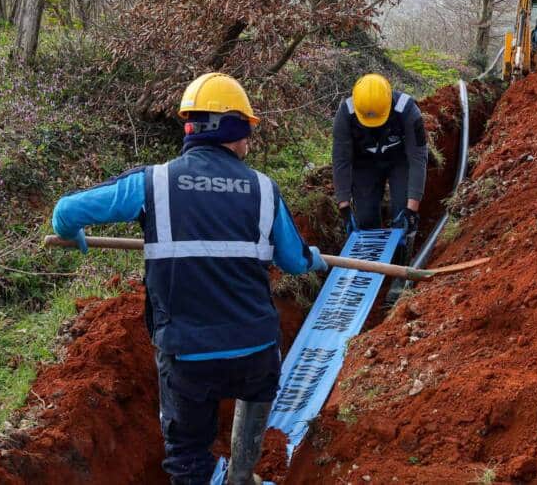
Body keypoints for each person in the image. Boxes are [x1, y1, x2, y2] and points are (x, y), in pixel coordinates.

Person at [51, 72, 328, 485]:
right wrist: (315, 260)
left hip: (188, 356)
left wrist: (73, 234)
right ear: (233, 130)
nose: (248, 143)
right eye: (248, 131)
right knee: (256, 396)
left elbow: (66, 212)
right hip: (255, 350)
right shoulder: (263, 190)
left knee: (187, 457)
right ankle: (240, 476)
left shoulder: (152, 184)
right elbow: (293, 260)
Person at [332, 73, 427, 247]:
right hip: (365, 164)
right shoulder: (345, 114)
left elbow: (417, 159)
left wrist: (411, 210)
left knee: (402, 215)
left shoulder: (407, 110)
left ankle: (401, 254)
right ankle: (371, 263)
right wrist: (345, 208)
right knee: (366, 219)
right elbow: (341, 161)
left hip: (400, 161)